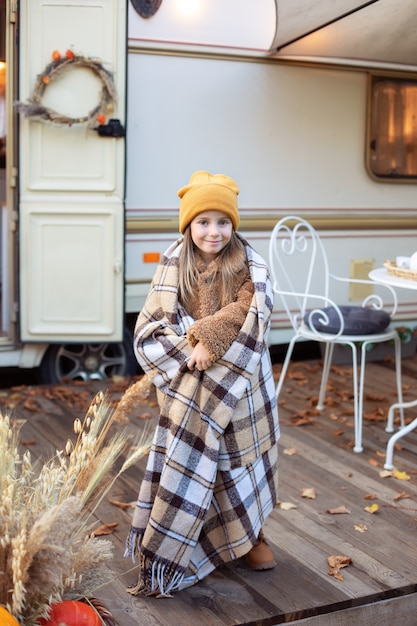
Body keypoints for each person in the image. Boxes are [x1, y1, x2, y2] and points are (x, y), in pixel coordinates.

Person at [125, 170, 280, 598]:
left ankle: (252, 534)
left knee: (238, 460)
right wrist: (186, 346)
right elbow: (156, 319)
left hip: (240, 379)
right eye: (203, 222)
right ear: (188, 225)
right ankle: (189, 538)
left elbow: (249, 311)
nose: (213, 231)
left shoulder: (247, 264)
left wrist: (208, 340)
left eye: (222, 222)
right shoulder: (175, 264)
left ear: (234, 225)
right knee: (195, 460)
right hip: (190, 383)